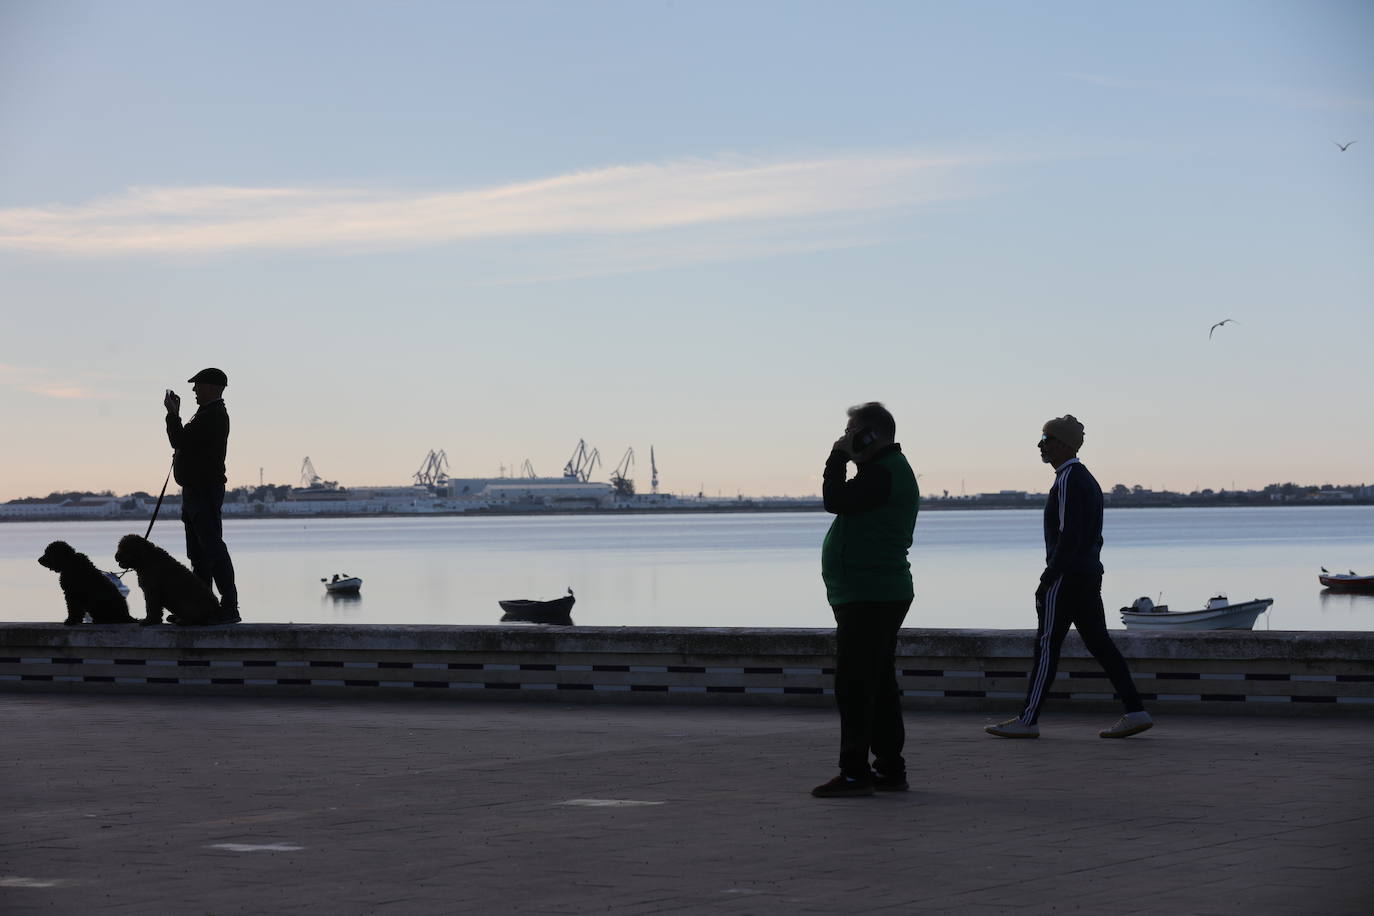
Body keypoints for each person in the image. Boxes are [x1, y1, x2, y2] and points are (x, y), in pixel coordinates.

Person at [985, 415, 1150, 739]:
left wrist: (1049, 577)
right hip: (1089, 575)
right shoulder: (1086, 479)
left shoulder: (1068, 479)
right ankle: (1136, 710)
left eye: (1046, 439)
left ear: (1063, 444)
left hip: (1068, 578)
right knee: (1101, 645)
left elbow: (1068, 536)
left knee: (1047, 646)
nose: (1040, 446)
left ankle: (1027, 720)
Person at [812, 402, 919, 798]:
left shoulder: (883, 474)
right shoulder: (884, 472)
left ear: (871, 434)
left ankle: (855, 773)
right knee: (878, 682)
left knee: (855, 685)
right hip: (873, 592)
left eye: (851, 431)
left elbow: (834, 498)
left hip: (870, 595)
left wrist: (837, 456)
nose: (845, 437)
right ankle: (890, 768)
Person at [164, 367, 239, 623]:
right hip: (196, 491)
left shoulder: (214, 416)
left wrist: (172, 414)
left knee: (212, 550)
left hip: (204, 491)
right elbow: (184, 442)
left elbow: (179, 441)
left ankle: (228, 608)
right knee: (198, 554)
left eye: (198, 385)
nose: (194, 390)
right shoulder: (206, 414)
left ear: (211, 387)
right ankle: (202, 607)